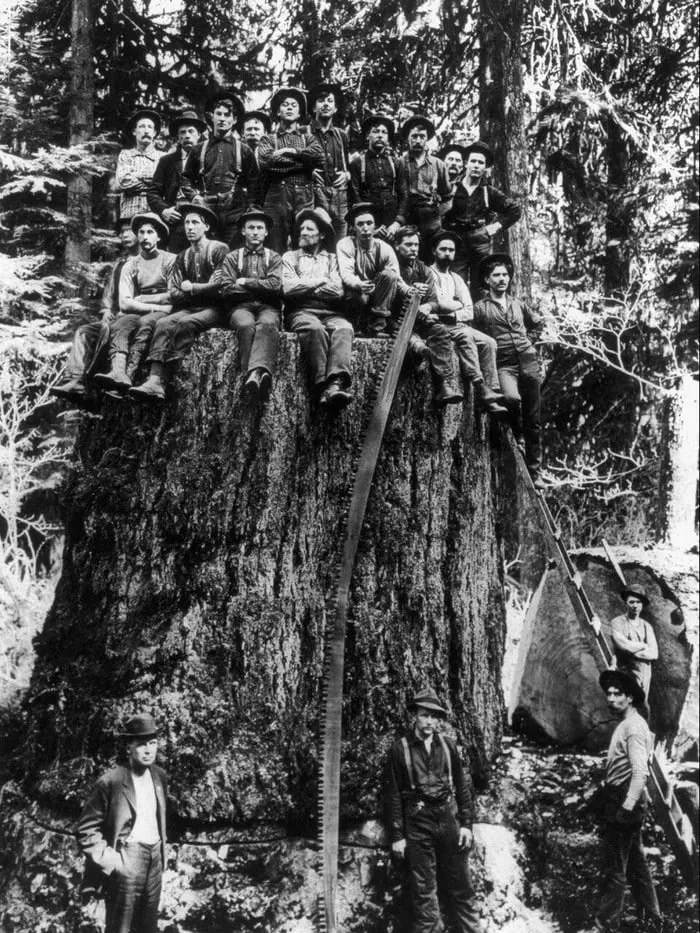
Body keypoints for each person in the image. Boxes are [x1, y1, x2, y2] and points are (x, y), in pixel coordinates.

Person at [385, 688, 485, 933]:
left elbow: (462, 786)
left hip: (448, 818)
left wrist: (466, 824)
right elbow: (393, 794)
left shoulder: (447, 746)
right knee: (424, 892)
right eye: (424, 715)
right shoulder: (400, 749)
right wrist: (397, 835)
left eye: (434, 716)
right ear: (415, 716)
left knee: (462, 885)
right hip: (418, 822)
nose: (429, 721)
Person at [582, 670, 662, 933]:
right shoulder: (627, 724)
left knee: (614, 868)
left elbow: (640, 772)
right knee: (636, 863)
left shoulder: (633, 728)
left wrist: (626, 806)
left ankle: (605, 926)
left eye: (617, 694)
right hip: (620, 796)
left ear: (630, 698)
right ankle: (653, 918)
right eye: (609, 693)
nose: (611, 698)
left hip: (626, 799)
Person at [75, 713, 168, 933]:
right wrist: (114, 862)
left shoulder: (160, 776)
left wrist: (163, 854)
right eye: (141, 744)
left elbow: (161, 819)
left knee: (148, 927)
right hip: (127, 857)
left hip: (155, 859)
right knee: (121, 927)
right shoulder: (111, 782)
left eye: (152, 743)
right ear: (129, 747)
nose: (148, 750)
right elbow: (85, 830)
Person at [129, 203, 229, 403]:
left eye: (195, 223)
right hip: (191, 307)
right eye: (187, 223)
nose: (190, 227)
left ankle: (165, 378)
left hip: (216, 309)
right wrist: (197, 292)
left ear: (206, 226)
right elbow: (174, 292)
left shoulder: (219, 249)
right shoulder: (183, 256)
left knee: (185, 323)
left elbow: (220, 285)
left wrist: (192, 288)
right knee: (163, 323)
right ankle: (153, 378)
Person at [472, 253, 544, 483]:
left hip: (528, 361)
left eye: (505, 275)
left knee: (534, 418)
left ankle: (536, 471)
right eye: (496, 275)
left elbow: (537, 323)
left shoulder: (518, 304)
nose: (502, 279)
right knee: (511, 399)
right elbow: (474, 336)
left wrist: (529, 341)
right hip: (503, 364)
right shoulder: (480, 308)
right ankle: (517, 434)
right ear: (487, 280)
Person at [51, 218, 139, 403]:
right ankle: (75, 378)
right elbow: (109, 294)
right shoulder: (119, 264)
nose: (124, 235)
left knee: (106, 331)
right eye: (121, 232)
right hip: (115, 315)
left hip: (135, 316)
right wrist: (106, 310)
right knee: (84, 331)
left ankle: (91, 383)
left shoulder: (146, 261)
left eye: (128, 230)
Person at [94, 213, 175, 396]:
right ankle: (118, 370)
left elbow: (173, 295)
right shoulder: (130, 265)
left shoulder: (170, 260)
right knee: (121, 323)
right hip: (149, 309)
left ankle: (130, 375)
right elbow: (124, 303)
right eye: (141, 232)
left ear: (159, 237)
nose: (145, 237)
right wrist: (154, 305)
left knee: (145, 323)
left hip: (163, 312)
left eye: (150, 232)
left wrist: (143, 299)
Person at [429, 232, 508, 417]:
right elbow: (435, 304)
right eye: (443, 249)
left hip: (457, 324)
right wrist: (453, 306)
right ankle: (480, 386)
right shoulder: (428, 274)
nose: (447, 253)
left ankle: (491, 393)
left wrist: (452, 311)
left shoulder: (457, 279)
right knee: (466, 336)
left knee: (489, 342)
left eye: (451, 250)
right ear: (434, 251)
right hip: (438, 326)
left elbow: (469, 311)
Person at [282, 206, 352, 411]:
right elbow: (289, 288)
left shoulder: (331, 259)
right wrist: (319, 281)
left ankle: (335, 384)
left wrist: (305, 286)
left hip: (331, 312)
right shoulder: (290, 257)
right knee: (315, 330)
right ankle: (321, 384)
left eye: (309, 229)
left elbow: (337, 290)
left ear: (321, 235)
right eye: (302, 229)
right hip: (301, 311)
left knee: (344, 329)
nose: (303, 232)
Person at [392, 225, 463, 407]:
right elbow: (389, 299)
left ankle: (444, 384)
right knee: (407, 335)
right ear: (397, 245)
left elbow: (433, 301)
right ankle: (416, 344)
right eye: (408, 245)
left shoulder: (423, 269)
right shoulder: (392, 266)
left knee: (440, 331)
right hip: (396, 318)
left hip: (420, 319)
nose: (413, 249)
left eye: (416, 245)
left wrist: (427, 306)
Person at [219, 207, 283, 402]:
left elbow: (275, 285)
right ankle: (255, 374)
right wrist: (260, 287)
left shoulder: (274, 257)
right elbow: (227, 288)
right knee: (246, 325)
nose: (255, 232)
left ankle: (253, 374)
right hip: (241, 307)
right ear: (243, 231)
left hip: (267, 306)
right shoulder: (232, 257)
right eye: (251, 227)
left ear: (266, 232)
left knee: (268, 324)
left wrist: (245, 282)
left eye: (259, 228)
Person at [181, 90, 258, 247]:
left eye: (227, 115)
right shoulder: (198, 149)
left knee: (233, 253)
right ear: (211, 117)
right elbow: (185, 178)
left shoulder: (244, 150)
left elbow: (254, 183)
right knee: (207, 251)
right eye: (219, 114)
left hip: (235, 212)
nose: (222, 118)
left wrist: (249, 209)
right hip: (207, 210)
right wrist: (194, 197)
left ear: (234, 119)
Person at [443, 141, 521, 291]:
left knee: (481, 287)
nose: (476, 166)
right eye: (473, 161)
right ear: (466, 163)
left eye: (481, 163)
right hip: (456, 242)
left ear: (485, 168)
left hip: (479, 243)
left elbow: (514, 210)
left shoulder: (489, 192)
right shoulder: (451, 187)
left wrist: (493, 228)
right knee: (456, 285)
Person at [257, 87, 325, 255]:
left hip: (304, 196)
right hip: (277, 196)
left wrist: (292, 152)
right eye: (285, 104)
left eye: (294, 105)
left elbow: (320, 157)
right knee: (275, 246)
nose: (289, 108)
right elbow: (267, 162)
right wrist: (305, 163)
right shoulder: (268, 139)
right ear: (277, 111)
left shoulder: (308, 138)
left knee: (304, 243)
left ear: (299, 112)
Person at [147, 109, 207, 254]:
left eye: (191, 131)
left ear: (199, 135)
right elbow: (153, 193)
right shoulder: (167, 161)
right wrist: (164, 210)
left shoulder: (208, 159)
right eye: (182, 132)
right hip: (176, 220)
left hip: (203, 219)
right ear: (178, 137)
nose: (187, 135)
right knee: (176, 259)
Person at [336, 201, 400, 335]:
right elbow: (346, 274)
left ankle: (377, 326)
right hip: (356, 293)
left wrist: (409, 290)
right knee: (355, 295)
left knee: (390, 276)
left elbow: (397, 278)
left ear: (375, 225)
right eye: (360, 224)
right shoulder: (345, 244)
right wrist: (359, 284)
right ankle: (355, 325)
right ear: (353, 227)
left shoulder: (384, 248)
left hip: (376, 297)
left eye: (369, 223)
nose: (365, 228)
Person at [349, 114, 408, 243]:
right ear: (367, 135)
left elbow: (404, 194)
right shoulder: (357, 163)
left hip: (392, 227)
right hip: (367, 227)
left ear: (388, 138)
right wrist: (371, 227)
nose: (380, 135)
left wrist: (397, 223)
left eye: (384, 132)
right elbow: (354, 196)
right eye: (375, 131)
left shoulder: (396, 163)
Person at [400, 116, 452, 260]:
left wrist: (437, 213)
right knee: (408, 260)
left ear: (427, 138)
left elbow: (448, 197)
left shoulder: (438, 164)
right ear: (407, 138)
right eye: (414, 136)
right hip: (408, 221)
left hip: (432, 224)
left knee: (430, 260)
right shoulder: (399, 163)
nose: (418, 140)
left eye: (422, 136)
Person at [308, 82, 351, 240]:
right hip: (314, 196)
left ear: (335, 108)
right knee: (315, 241)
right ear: (314, 108)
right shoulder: (304, 133)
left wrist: (346, 175)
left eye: (330, 101)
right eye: (321, 101)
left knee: (340, 244)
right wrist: (308, 172)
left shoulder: (341, 135)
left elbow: (347, 166)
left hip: (340, 198)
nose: (326, 104)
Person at [609, 586, 658, 701]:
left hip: (645, 672)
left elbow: (654, 653)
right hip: (626, 670)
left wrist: (632, 651)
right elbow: (624, 645)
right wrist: (644, 646)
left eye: (638, 602)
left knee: (641, 703)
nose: (635, 605)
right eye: (631, 602)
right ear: (626, 603)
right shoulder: (617, 622)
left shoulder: (647, 626)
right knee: (626, 702)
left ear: (642, 605)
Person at [116, 109, 163, 220]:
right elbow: (123, 182)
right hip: (130, 215)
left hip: (155, 217)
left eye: (150, 127)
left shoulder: (163, 157)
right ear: (134, 132)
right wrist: (153, 183)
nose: (146, 131)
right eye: (142, 127)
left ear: (154, 133)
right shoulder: (126, 155)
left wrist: (135, 176)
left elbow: (165, 185)